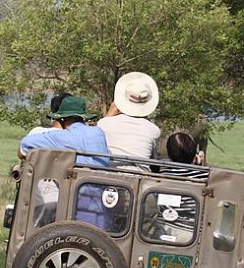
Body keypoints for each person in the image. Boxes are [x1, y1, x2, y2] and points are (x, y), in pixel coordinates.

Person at [18, 96, 111, 228]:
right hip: (101, 207)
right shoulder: (98, 133)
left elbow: (24, 147)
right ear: (84, 117)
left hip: (76, 207)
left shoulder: (61, 137)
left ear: (62, 120)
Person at [97, 72, 161, 164]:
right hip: (141, 176)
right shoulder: (153, 130)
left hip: (108, 175)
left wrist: (108, 115)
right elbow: (152, 159)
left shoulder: (104, 124)